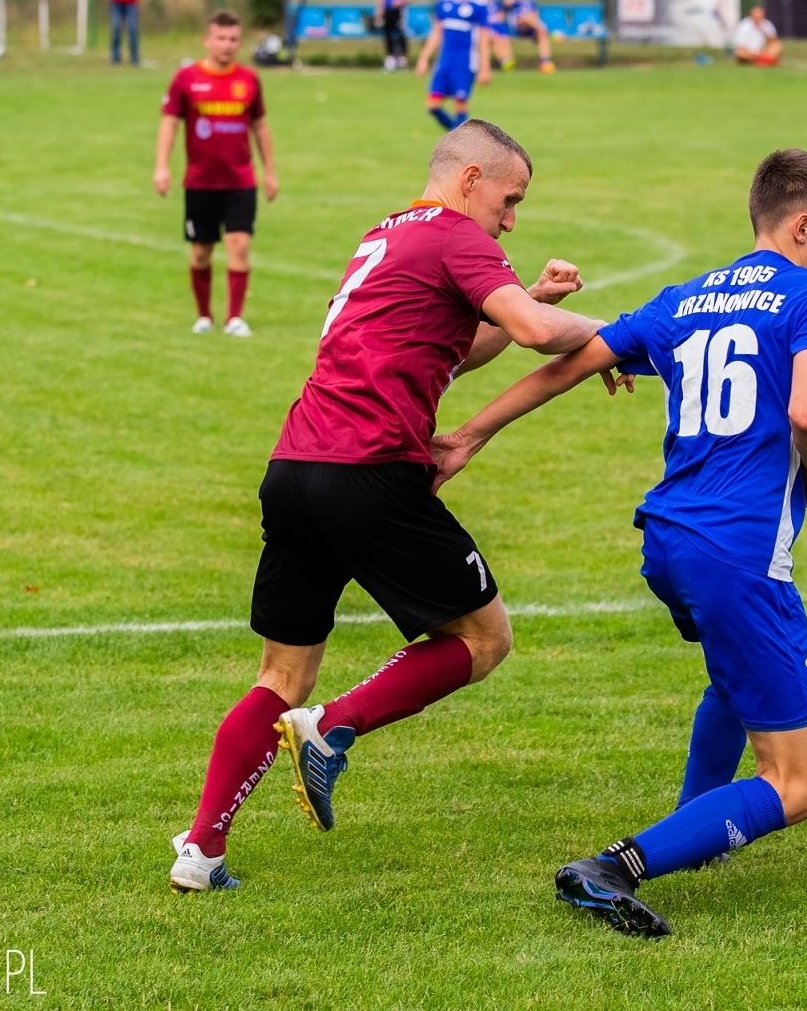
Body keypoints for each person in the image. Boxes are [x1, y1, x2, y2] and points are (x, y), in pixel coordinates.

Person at [168, 120, 613, 893]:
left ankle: (201, 852)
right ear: (470, 178)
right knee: (483, 637)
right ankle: (335, 728)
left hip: (296, 466)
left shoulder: (388, 234)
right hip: (368, 469)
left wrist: (523, 301)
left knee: (280, 673)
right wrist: (623, 334)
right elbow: (542, 335)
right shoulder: (455, 235)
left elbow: (456, 345)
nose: (512, 220)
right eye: (510, 199)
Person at [430, 150, 807, 937]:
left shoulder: (687, 297)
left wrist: (468, 435)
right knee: (797, 784)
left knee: (736, 683)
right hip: (737, 552)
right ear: (800, 225)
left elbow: (565, 366)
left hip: (667, 538)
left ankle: (699, 831)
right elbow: (806, 412)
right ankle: (611, 867)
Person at [153, 10, 278, 337]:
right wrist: (162, 166)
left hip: (240, 181)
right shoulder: (187, 79)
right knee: (201, 251)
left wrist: (270, 173)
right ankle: (204, 316)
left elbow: (260, 126)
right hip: (200, 182)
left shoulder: (249, 80)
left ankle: (234, 318)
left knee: (239, 245)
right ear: (207, 40)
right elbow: (169, 122)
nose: (227, 45)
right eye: (221, 38)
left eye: (233, 39)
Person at [414, 0, 492, 131]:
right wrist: (423, 59)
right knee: (432, 106)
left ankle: (457, 140)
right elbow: (436, 33)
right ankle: (458, 136)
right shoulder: (444, 2)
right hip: (445, 61)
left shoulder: (479, 5)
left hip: (465, 62)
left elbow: (484, 39)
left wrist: (485, 68)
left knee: (460, 106)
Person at [504, 0, 556, 73]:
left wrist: (532, 20)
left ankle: (545, 63)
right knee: (528, 19)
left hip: (533, 26)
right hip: (519, 25)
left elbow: (535, 14)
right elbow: (507, 4)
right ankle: (551, 32)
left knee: (542, 34)